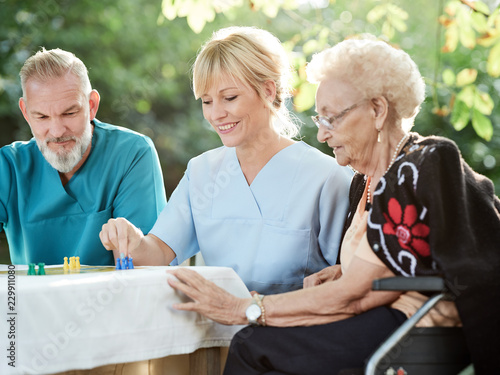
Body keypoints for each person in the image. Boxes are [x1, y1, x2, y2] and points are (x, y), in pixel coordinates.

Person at [165, 36, 500, 374]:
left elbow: (357, 295)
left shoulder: (417, 165)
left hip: (415, 332)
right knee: (260, 340)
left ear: (377, 110)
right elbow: (393, 261)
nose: (323, 135)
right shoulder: (365, 184)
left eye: (332, 118)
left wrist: (247, 308)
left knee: (252, 345)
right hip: (379, 320)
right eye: (319, 120)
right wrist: (341, 272)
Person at [100, 26, 353, 294]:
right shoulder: (200, 173)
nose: (216, 114)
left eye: (229, 98)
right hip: (216, 328)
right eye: (206, 101)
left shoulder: (327, 177)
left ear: (268, 91)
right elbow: (156, 254)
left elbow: (349, 278)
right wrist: (132, 240)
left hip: (295, 328)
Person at [0, 48, 166, 265]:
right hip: (29, 300)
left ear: (92, 105)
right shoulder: (9, 166)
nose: (57, 131)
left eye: (69, 113)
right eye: (41, 116)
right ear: (25, 113)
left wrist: (127, 242)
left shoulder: (131, 154)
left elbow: (140, 269)